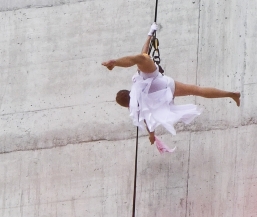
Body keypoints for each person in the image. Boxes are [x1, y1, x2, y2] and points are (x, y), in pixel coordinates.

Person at [102, 25, 239, 153]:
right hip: (165, 84)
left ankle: (116, 62)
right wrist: (150, 34)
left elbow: (147, 120)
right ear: (128, 91)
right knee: (197, 90)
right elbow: (142, 55)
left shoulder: (136, 107)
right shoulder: (136, 81)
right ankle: (231, 94)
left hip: (166, 97)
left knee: (142, 59)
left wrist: (152, 135)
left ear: (126, 104)